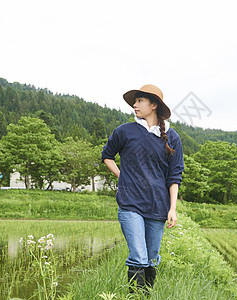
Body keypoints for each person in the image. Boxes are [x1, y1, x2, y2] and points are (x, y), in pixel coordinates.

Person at [101, 84, 184, 294]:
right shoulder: (125, 131)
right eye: (134, 101)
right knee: (138, 255)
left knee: (152, 258)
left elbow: (174, 176)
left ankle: (146, 296)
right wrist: (122, 175)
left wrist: (172, 209)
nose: (135, 105)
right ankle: (134, 298)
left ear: (153, 105)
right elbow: (107, 156)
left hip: (158, 206)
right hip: (130, 204)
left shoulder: (172, 137)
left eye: (139, 101)